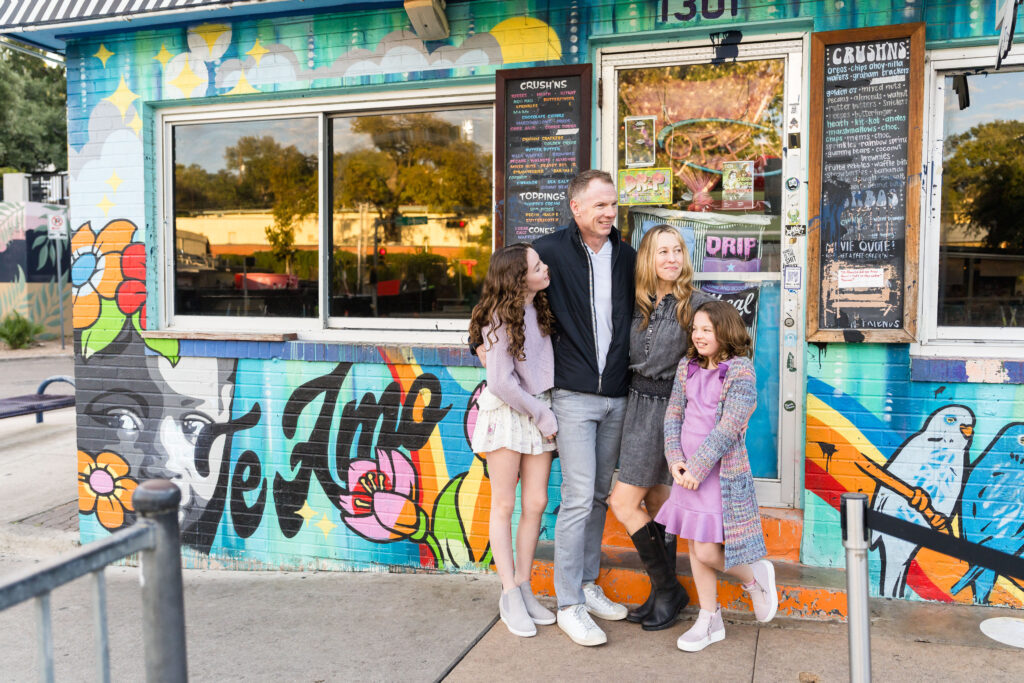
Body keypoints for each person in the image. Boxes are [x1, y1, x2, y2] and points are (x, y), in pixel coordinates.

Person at [532, 169, 637, 647]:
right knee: (577, 497)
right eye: (599, 205)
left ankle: (589, 585)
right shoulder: (547, 251)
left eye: (612, 204)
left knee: (598, 494)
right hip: (572, 396)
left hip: (616, 394)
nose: (608, 213)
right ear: (576, 208)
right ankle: (569, 602)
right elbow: (505, 298)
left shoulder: (628, 256)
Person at [656, 299, 778, 652]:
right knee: (695, 545)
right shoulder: (687, 366)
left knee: (708, 551)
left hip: (716, 474)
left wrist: (697, 468)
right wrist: (676, 460)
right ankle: (709, 618)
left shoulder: (741, 371)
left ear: (726, 331)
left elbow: (728, 428)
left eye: (706, 329)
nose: (698, 335)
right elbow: (673, 415)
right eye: (695, 329)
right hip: (687, 474)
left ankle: (754, 578)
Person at [608, 225, 712, 631]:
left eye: (677, 251)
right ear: (648, 259)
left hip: (669, 411)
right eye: (662, 252)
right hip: (636, 404)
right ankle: (662, 591)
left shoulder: (698, 305)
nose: (671, 259)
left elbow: (724, 354)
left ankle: (669, 589)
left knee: (622, 502)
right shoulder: (639, 304)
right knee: (656, 503)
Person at [468, 243, 558, 638]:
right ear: (518, 279)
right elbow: (501, 382)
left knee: (536, 501)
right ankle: (508, 592)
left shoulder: (539, 307)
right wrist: (541, 414)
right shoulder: (497, 318)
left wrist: (544, 410)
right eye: (537, 266)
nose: (545, 268)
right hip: (509, 413)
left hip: (539, 410)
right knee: (504, 503)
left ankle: (523, 584)